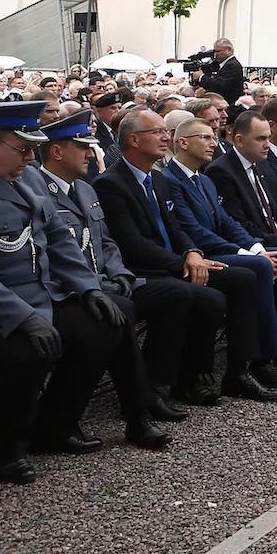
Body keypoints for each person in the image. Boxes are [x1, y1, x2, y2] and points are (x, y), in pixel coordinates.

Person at [0, 102, 129, 481]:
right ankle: (5, 449)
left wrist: (87, 288)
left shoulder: (25, 179)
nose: (31, 157)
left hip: (34, 301)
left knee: (103, 325)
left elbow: (58, 239)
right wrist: (23, 317)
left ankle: (55, 425)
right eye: (23, 149)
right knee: (29, 348)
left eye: (32, 149)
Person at [95, 108, 277, 400]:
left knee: (241, 280)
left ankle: (238, 372)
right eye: (157, 132)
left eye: (165, 131)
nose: (165, 137)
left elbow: (177, 230)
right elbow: (132, 244)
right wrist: (184, 262)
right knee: (213, 293)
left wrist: (191, 253)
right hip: (144, 269)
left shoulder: (157, 179)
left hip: (176, 262)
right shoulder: (111, 184)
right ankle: (173, 381)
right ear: (134, 140)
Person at [30, 113, 178, 450]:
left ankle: (155, 391)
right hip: (67, 290)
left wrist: (120, 273)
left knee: (174, 296)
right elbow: (53, 256)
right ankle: (138, 413)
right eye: (82, 147)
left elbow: (106, 242)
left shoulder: (84, 189)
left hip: (106, 284)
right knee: (118, 312)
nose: (90, 154)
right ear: (56, 152)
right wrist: (95, 285)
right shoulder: (36, 191)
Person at [160, 110, 277, 359]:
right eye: (205, 138)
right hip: (199, 255)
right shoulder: (172, 179)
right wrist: (253, 252)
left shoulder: (204, 180)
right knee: (263, 267)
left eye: (213, 137)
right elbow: (194, 231)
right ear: (183, 142)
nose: (213, 143)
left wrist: (258, 249)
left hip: (231, 246)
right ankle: (260, 359)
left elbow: (229, 223)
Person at [191, 39, 246, 106]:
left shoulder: (232, 65)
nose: (215, 54)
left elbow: (219, 85)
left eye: (218, 51)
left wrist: (201, 77)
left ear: (228, 50)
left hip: (228, 104)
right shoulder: (222, 64)